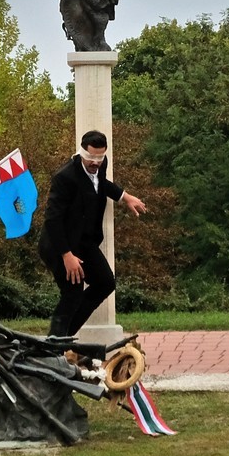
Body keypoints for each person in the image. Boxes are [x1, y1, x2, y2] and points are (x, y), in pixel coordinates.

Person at [38, 130, 148, 339]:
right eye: (91, 157)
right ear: (82, 153)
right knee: (73, 292)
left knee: (105, 283)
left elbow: (100, 184)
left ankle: (63, 337)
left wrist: (124, 196)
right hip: (59, 245)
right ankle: (54, 345)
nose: (95, 162)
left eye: (100, 157)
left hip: (84, 242)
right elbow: (52, 220)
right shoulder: (64, 177)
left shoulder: (100, 165)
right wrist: (67, 256)